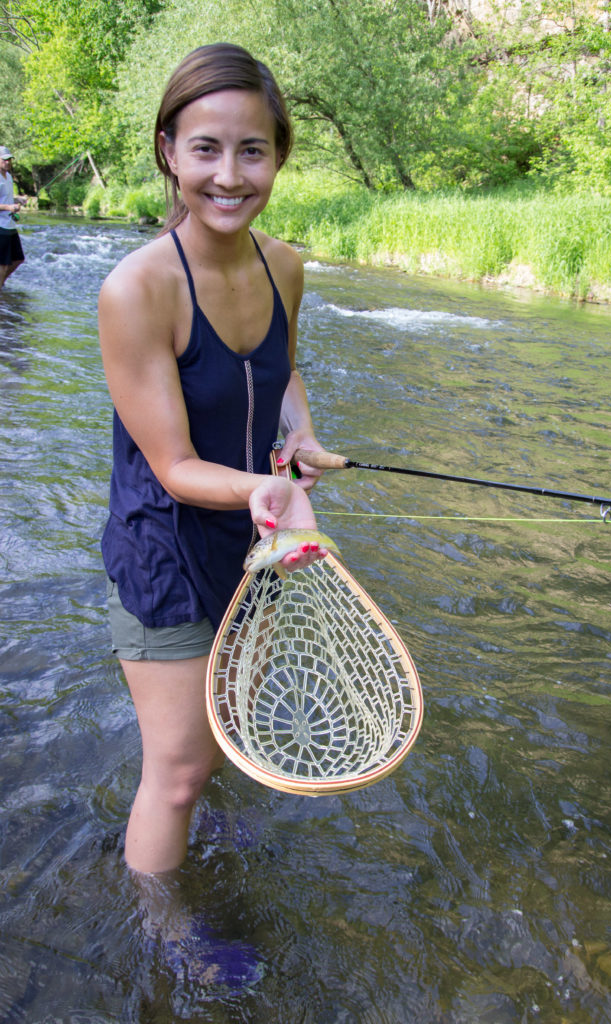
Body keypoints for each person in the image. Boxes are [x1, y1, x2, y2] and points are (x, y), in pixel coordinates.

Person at [98, 43, 329, 885]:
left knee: (229, 721)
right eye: (205, 148)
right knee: (179, 772)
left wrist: (297, 437)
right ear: (168, 151)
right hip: (166, 548)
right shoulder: (138, 288)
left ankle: (209, 842)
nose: (230, 175)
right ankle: (166, 938)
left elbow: (284, 371)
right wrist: (269, 487)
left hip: (254, 538)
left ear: (278, 155)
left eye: (252, 150)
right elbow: (171, 465)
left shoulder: (285, 266)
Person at [0, 146, 27, 290]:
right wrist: (9, 208)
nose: (8, 162)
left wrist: (19, 199)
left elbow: (7, 197)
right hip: (1, 227)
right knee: (3, 265)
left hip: (10, 225)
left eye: (9, 159)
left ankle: (2, 283)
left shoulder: (9, 176)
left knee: (18, 259)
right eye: (4, 160)